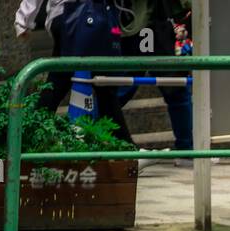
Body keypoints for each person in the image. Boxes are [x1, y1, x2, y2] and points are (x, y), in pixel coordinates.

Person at [15, 0, 133, 142]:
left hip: (79, 16)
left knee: (97, 87)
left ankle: (29, 136)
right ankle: (125, 146)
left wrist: (23, 21)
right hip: (78, 16)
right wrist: (23, 20)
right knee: (67, 82)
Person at [115, 0, 194, 164]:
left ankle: (187, 149)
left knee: (119, 90)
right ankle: (187, 150)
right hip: (151, 28)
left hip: (137, 26)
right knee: (177, 90)